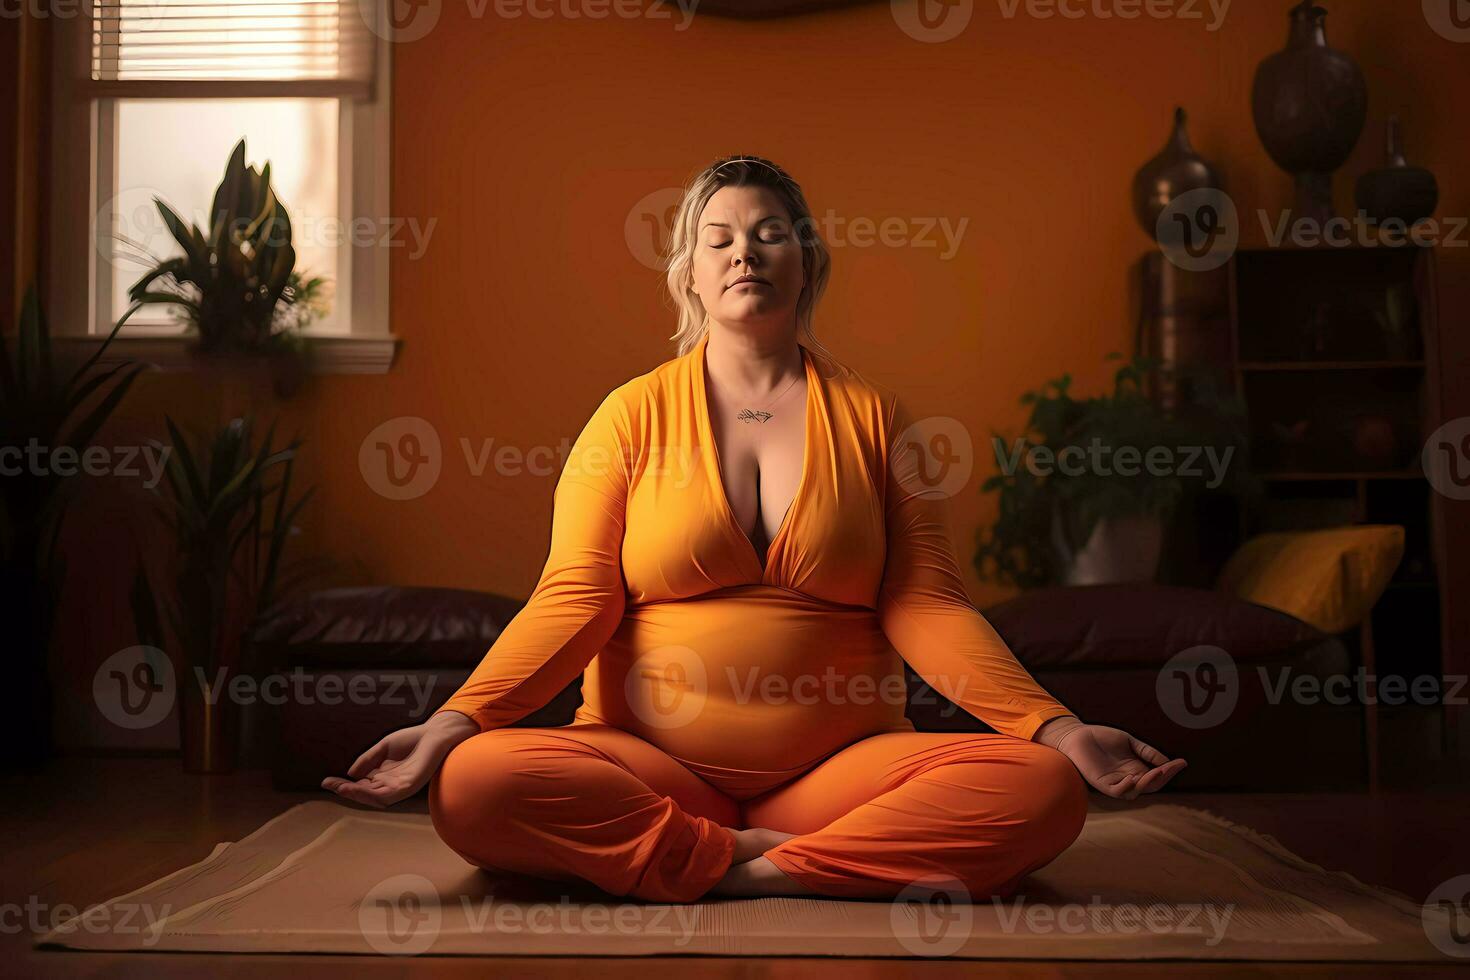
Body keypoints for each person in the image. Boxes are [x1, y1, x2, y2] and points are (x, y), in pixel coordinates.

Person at [323, 154, 1186, 902]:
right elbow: (572, 599)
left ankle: (749, 868)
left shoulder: (880, 420)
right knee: (471, 782)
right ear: (688, 273)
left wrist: (1060, 728)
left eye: (771, 232)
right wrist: (455, 721)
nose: (745, 251)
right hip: (647, 767)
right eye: (719, 236)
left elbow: (930, 607)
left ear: (807, 262)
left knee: (1043, 790)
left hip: (837, 776)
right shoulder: (626, 417)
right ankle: (785, 863)